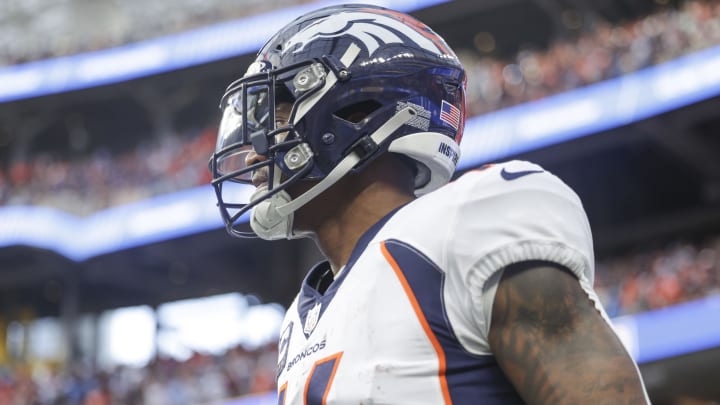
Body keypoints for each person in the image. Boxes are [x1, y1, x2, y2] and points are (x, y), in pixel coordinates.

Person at [209, 4, 650, 404]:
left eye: (280, 119)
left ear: (360, 111)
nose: (252, 153)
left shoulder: (462, 225)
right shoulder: (300, 321)